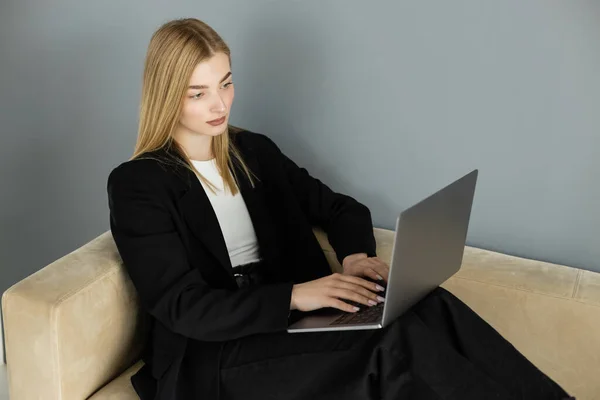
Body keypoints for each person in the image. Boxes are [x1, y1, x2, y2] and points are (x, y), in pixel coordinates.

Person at [106, 17, 573, 400]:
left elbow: (340, 209)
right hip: (213, 356)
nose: (220, 103)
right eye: (198, 92)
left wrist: (354, 258)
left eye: (225, 83)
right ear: (168, 93)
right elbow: (183, 307)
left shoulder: (253, 151)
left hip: (291, 322)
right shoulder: (138, 184)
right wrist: (297, 294)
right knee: (392, 345)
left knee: (430, 304)